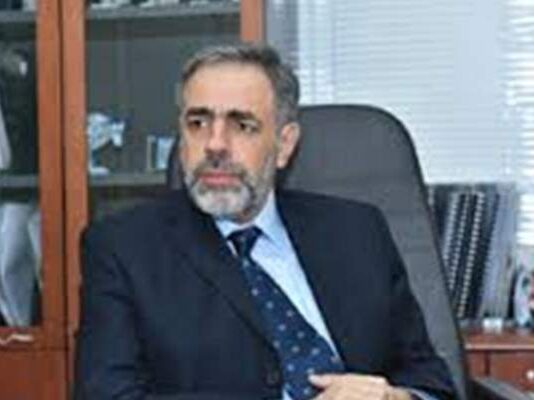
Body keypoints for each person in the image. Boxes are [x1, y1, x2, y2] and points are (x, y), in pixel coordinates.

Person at [74, 44, 456, 400]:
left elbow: (430, 380)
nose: (215, 145)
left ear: (284, 144)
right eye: (198, 123)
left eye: (242, 125)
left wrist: (395, 398)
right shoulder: (122, 248)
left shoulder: (357, 231)